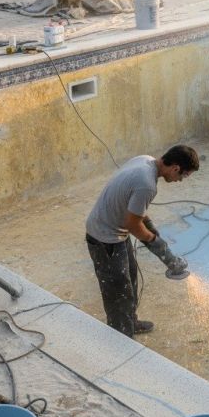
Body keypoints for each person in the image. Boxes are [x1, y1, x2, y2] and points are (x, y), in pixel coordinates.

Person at [85, 144, 200, 337]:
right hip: (104, 238)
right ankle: (121, 335)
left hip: (114, 232)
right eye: (183, 176)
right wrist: (158, 244)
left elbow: (134, 209)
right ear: (176, 168)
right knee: (118, 291)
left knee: (130, 277)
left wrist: (150, 226)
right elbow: (132, 225)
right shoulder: (147, 185)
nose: (180, 180)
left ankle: (130, 321)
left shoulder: (144, 160)